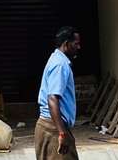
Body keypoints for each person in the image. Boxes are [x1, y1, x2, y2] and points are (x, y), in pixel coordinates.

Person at [35, 27, 81, 160]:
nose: (79, 47)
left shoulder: (56, 59)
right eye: (76, 44)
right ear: (66, 44)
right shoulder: (60, 65)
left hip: (50, 126)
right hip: (53, 128)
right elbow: (52, 99)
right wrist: (62, 134)